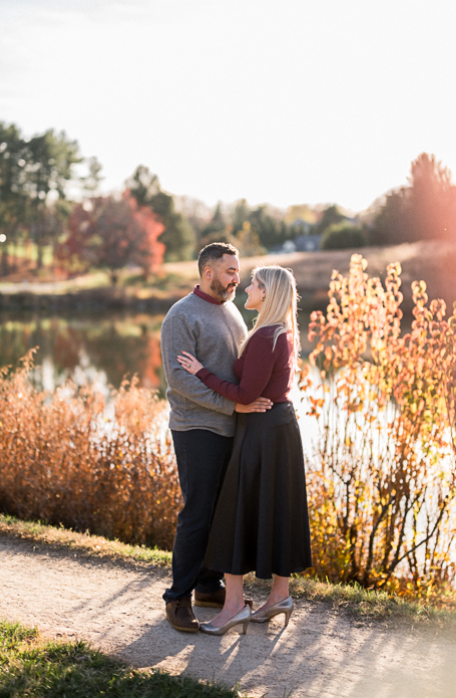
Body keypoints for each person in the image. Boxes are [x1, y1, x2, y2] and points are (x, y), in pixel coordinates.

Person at [177, 265, 312, 636]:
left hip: (263, 433)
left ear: (267, 293)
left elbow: (245, 395)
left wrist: (201, 371)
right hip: (276, 429)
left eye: (254, 283)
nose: (246, 287)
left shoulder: (266, 335)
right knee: (275, 509)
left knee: (234, 512)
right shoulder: (275, 332)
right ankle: (279, 596)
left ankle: (234, 605)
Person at [159, 242, 273, 633]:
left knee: (220, 512)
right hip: (196, 428)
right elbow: (179, 380)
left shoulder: (230, 310)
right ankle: (178, 599)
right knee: (197, 514)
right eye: (229, 272)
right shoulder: (181, 316)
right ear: (208, 272)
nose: (236, 279)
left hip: (231, 427)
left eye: (237, 272)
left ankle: (209, 586)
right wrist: (233, 408)